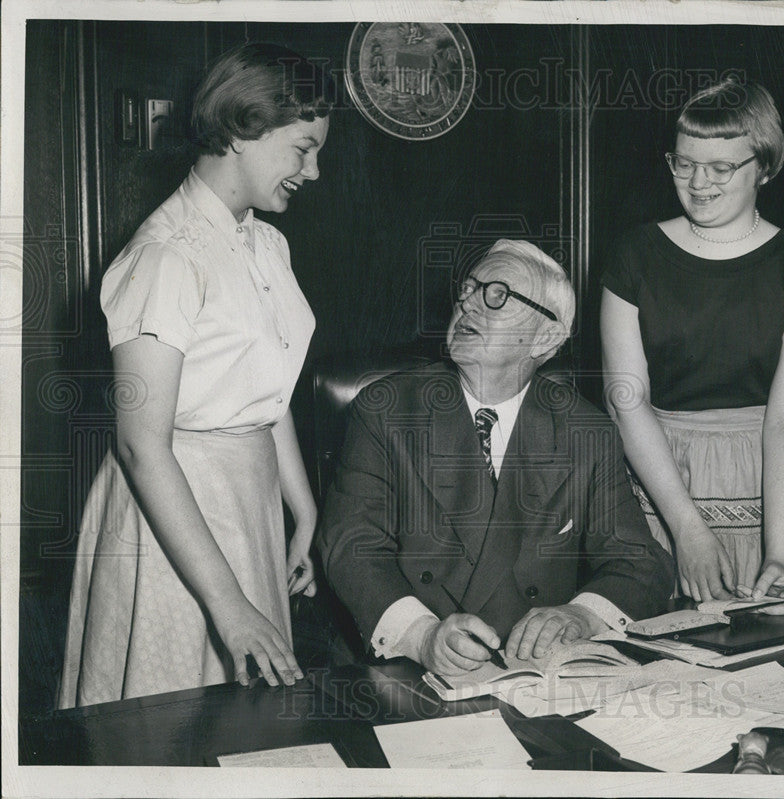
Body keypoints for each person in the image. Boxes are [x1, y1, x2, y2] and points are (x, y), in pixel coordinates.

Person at [59, 43, 333, 708]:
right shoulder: (165, 257)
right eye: (303, 148)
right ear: (244, 129)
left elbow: (269, 391)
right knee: (173, 719)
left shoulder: (267, 242)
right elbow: (140, 445)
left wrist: (303, 508)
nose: (315, 170)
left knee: (249, 719)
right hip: (173, 509)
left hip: (251, 492)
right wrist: (228, 602)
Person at [317, 239, 674, 676]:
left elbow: (641, 562)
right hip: (411, 665)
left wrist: (578, 616)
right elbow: (352, 545)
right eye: (468, 288)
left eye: (497, 295)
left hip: (533, 672)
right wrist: (422, 635)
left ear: (546, 336)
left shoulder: (587, 431)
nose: (468, 304)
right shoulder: (388, 408)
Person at [600, 75, 784, 614]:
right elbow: (626, 402)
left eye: (721, 167)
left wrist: (779, 555)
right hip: (661, 479)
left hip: (770, 486)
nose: (697, 182)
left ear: (766, 167)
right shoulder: (634, 255)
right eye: (683, 162)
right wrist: (685, 528)